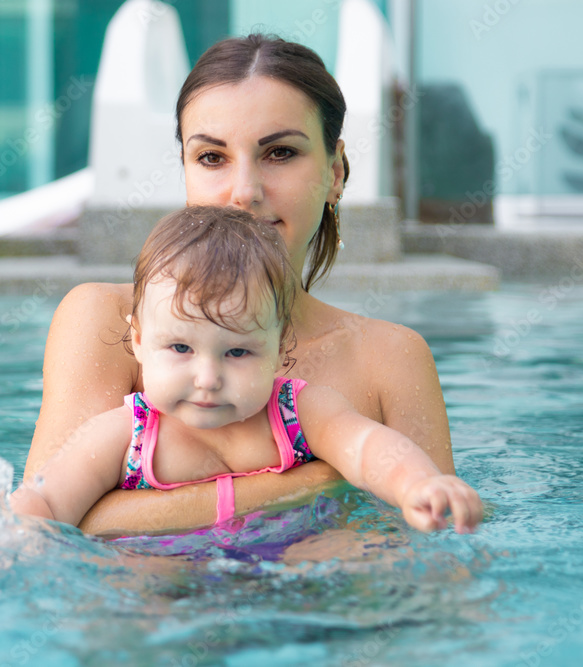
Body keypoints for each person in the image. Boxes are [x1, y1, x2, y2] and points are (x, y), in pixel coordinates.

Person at [25, 33, 458, 534]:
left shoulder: (390, 359)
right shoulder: (101, 320)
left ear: (335, 172)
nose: (244, 192)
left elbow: (440, 540)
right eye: (212, 157)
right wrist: (317, 483)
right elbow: (52, 523)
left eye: (279, 153)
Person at [12, 207, 481, 534]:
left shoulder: (299, 412)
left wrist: (419, 483)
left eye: (237, 353)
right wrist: (17, 521)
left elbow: (368, 448)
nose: (207, 377)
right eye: (180, 347)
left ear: (280, 352)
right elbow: (52, 501)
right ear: (137, 341)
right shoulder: (124, 436)